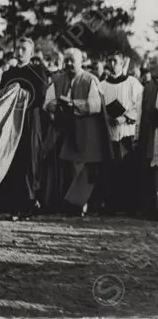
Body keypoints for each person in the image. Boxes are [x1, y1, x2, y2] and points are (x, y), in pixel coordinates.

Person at [43, 48, 113, 215]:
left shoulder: (90, 80)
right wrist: (54, 105)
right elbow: (47, 103)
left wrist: (73, 104)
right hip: (64, 131)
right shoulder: (57, 80)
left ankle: (81, 204)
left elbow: (95, 106)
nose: (68, 64)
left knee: (81, 168)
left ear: (81, 61)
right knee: (64, 167)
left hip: (85, 132)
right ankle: (63, 203)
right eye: (66, 60)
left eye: (71, 60)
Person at [0, 37, 49, 220]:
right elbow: (2, 93)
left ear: (31, 53)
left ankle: (28, 204)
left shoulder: (38, 70)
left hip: (29, 120)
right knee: (10, 157)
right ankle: (9, 203)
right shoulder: (10, 72)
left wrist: (20, 93)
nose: (20, 52)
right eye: (18, 48)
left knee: (28, 159)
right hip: (11, 121)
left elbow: (40, 96)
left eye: (24, 49)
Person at [98, 53, 143, 215]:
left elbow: (140, 106)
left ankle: (128, 206)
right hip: (109, 133)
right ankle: (111, 205)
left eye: (115, 61)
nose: (111, 63)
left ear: (122, 63)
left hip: (126, 133)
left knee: (127, 169)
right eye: (109, 60)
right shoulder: (102, 85)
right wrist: (107, 116)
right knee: (111, 170)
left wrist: (125, 117)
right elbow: (99, 107)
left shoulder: (133, 83)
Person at [137, 55, 158, 218]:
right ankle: (150, 207)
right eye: (150, 64)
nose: (151, 67)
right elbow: (142, 112)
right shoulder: (148, 87)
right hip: (151, 134)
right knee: (151, 170)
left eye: (154, 64)